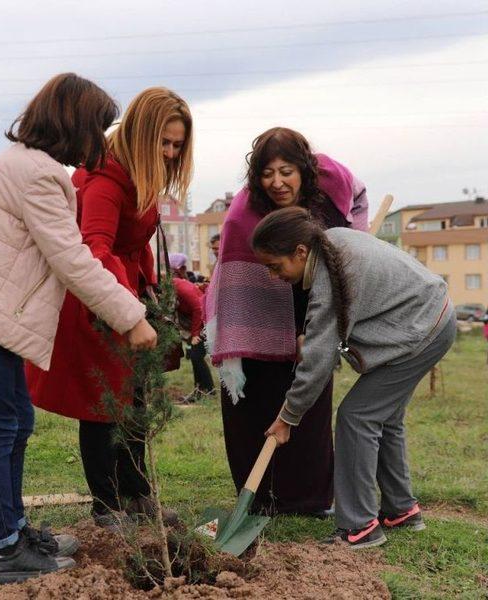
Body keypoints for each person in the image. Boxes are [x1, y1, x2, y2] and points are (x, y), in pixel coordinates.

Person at [0, 73, 157, 584]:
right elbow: (72, 259)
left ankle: (17, 529)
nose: (101, 140)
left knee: (14, 422)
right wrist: (131, 316)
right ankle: (7, 550)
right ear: (75, 125)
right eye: (98, 128)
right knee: (1, 427)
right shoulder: (40, 175)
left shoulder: (27, 165)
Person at [26, 87, 194, 532]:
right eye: (164, 142)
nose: (171, 152)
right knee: (103, 406)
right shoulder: (106, 178)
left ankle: (138, 497)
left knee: (134, 402)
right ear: (141, 133)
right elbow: (93, 248)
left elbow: (135, 246)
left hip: (125, 298)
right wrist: (127, 309)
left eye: (177, 145)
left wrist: (154, 295)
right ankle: (107, 506)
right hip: (96, 306)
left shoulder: (141, 176)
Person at [252, 206, 455, 549]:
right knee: (384, 418)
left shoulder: (331, 274)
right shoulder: (333, 244)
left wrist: (288, 416)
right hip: (433, 319)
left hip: (421, 331)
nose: (275, 276)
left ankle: (358, 527)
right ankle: (401, 509)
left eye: (276, 266)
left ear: (300, 252)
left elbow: (317, 360)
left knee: (356, 417)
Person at [203, 127, 368, 517]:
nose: (277, 182)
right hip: (256, 319)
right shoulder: (244, 215)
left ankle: (308, 500)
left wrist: (311, 331)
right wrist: (279, 330)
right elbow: (239, 280)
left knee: (308, 405)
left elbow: (344, 255)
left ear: (304, 171)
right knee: (255, 407)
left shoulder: (326, 204)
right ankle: (258, 497)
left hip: (316, 307)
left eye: (286, 171)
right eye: (267, 173)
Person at [168, 252, 215, 403]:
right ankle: (204, 391)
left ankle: (205, 391)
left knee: (196, 355)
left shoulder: (178, 285)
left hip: (205, 319)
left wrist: (195, 333)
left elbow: (198, 307)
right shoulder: (178, 283)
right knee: (196, 356)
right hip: (204, 320)